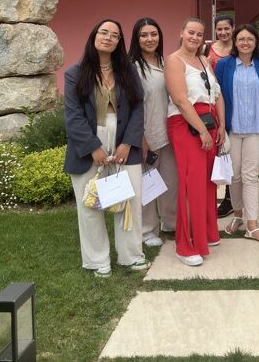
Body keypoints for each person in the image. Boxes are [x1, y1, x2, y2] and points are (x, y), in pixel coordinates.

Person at [63, 19, 148, 277]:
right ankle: (98, 260)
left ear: (120, 42)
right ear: (94, 36)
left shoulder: (128, 72)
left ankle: (131, 255)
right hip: (89, 142)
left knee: (129, 200)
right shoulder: (75, 73)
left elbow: (137, 108)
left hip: (123, 141)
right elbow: (73, 116)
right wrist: (93, 147)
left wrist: (127, 143)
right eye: (104, 32)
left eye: (115, 35)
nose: (108, 37)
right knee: (90, 204)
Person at [164, 18, 226, 266]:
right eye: (191, 32)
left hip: (209, 122)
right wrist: (201, 130)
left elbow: (216, 93)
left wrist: (221, 125)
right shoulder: (173, 61)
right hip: (186, 124)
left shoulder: (204, 60)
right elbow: (180, 99)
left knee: (207, 183)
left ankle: (207, 232)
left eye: (200, 34)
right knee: (192, 184)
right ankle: (186, 244)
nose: (195, 37)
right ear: (181, 33)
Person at [215, 24, 259, 245]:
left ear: (256, 42)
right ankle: (238, 216)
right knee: (234, 176)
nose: (245, 43)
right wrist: (220, 126)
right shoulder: (224, 65)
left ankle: (253, 225)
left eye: (249, 39)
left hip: (256, 128)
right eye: (241, 39)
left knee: (250, 176)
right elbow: (217, 95)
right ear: (234, 41)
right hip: (231, 129)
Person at [128, 17, 178, 248]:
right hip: (147, 136)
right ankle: (148, 231)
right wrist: (140, 137)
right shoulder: (133, 68)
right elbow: (130, 105)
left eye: (154, 34)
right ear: (136, 39)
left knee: (171, 182)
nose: (150, 39)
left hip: (170, 135)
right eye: (144, 35)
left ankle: (171, 223)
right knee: (148, 184)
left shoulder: (165, 62)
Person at [206, 14, 235, 219]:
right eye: (219, 29)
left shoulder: (239, 48)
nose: (223, 32)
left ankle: (230, 199)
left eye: (227, 28)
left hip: (234, 103)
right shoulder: (207, 50)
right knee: (214, 151)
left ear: (233, 29)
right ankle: (209, 197)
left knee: (229, 153)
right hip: (212, 105)